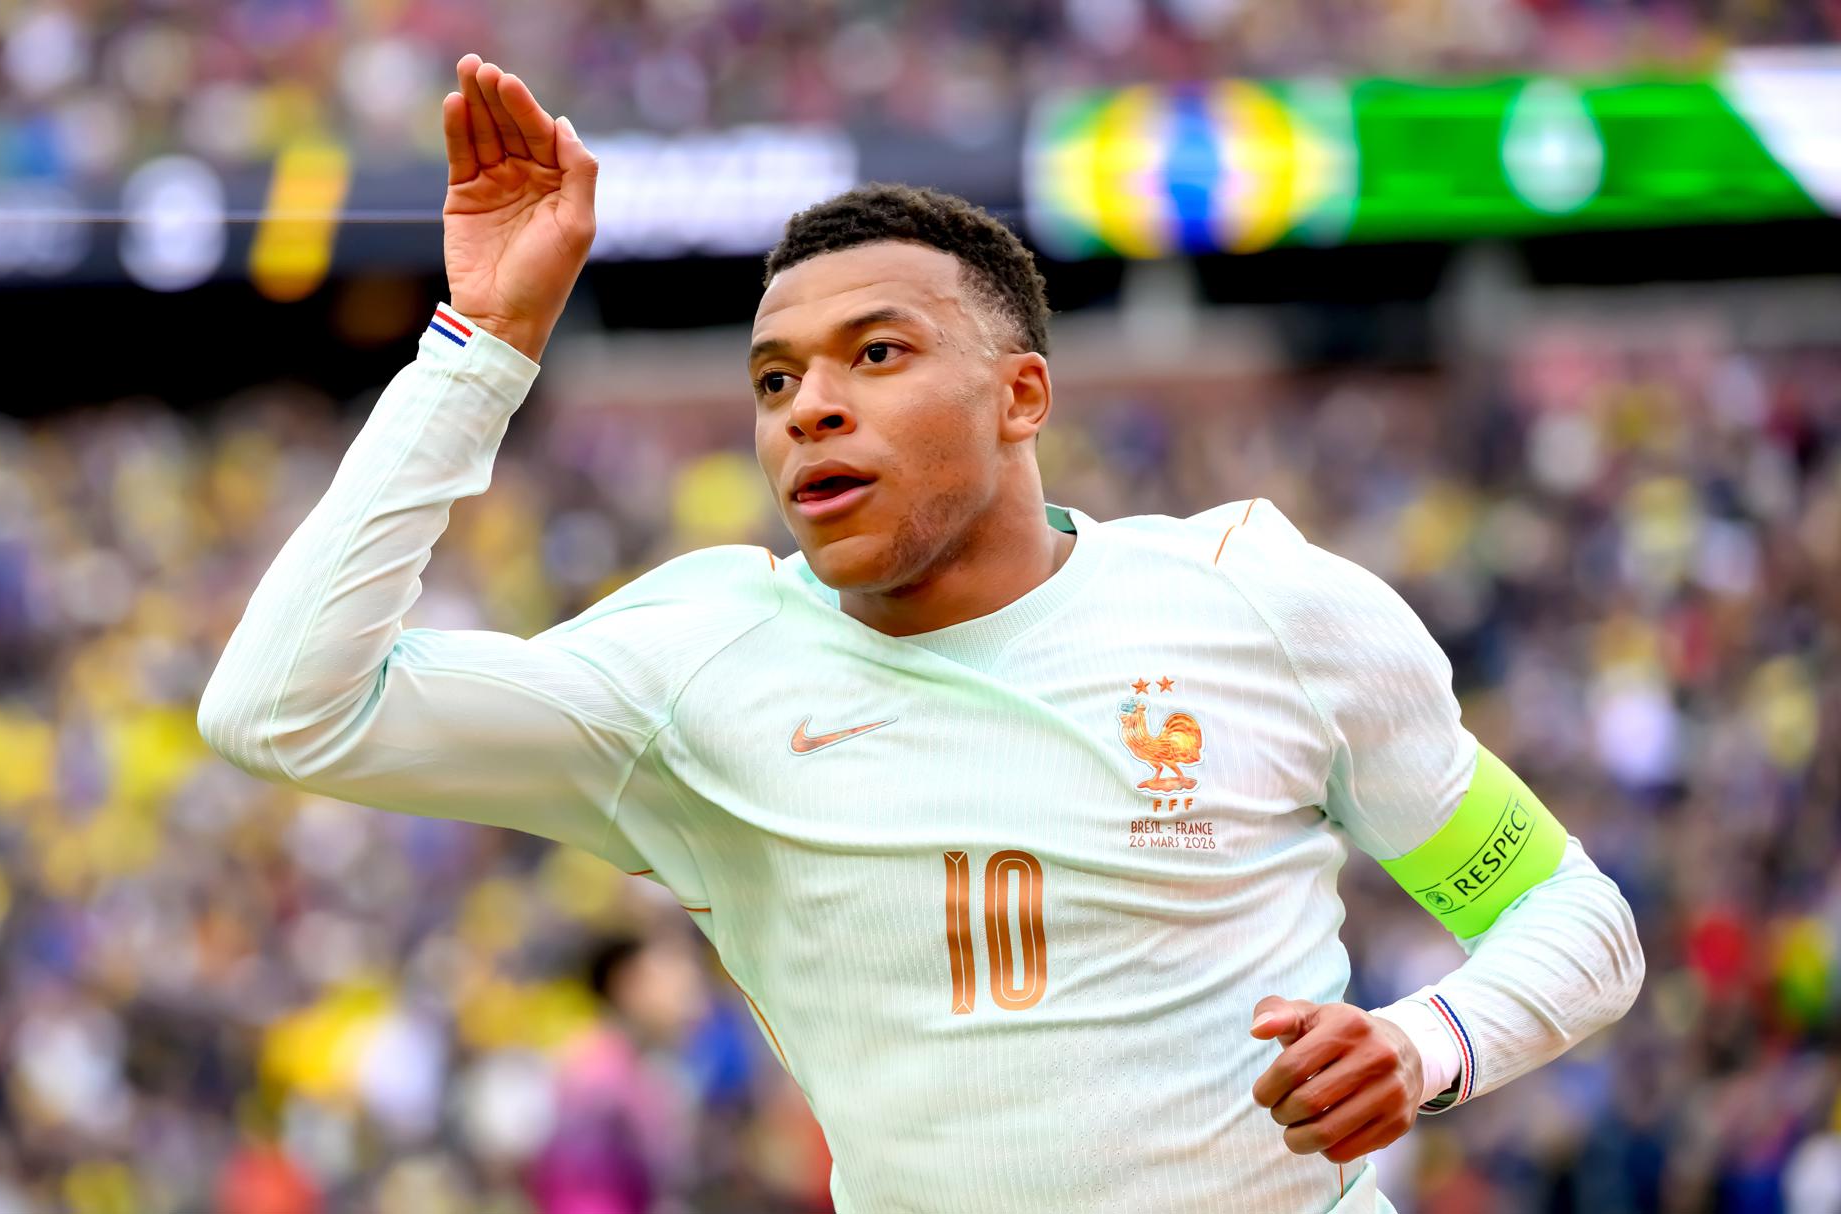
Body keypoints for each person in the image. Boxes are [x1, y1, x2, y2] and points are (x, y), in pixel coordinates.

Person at [198, 54, 1645, 1213]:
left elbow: (1569, 917)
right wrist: (482, 346)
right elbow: (278, 708)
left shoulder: (1260, 600)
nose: (808, 406)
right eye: (775, 379)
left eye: (874, 354)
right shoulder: (695, 670)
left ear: (1022, 396)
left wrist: (1425, 1044)